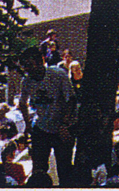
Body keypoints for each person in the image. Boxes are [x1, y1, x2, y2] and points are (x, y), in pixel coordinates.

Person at [18, 44, 76, 186]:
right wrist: (27, 124)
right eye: (25, 66)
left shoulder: (57, 74)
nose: (27, 69)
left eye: (30, 65)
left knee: (64, 168)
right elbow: (22, 103)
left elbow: (71, 100)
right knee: (39, 168)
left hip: (61, 126)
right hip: (42, 126)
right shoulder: (26, 81)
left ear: (40, 62)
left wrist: (65, 124)